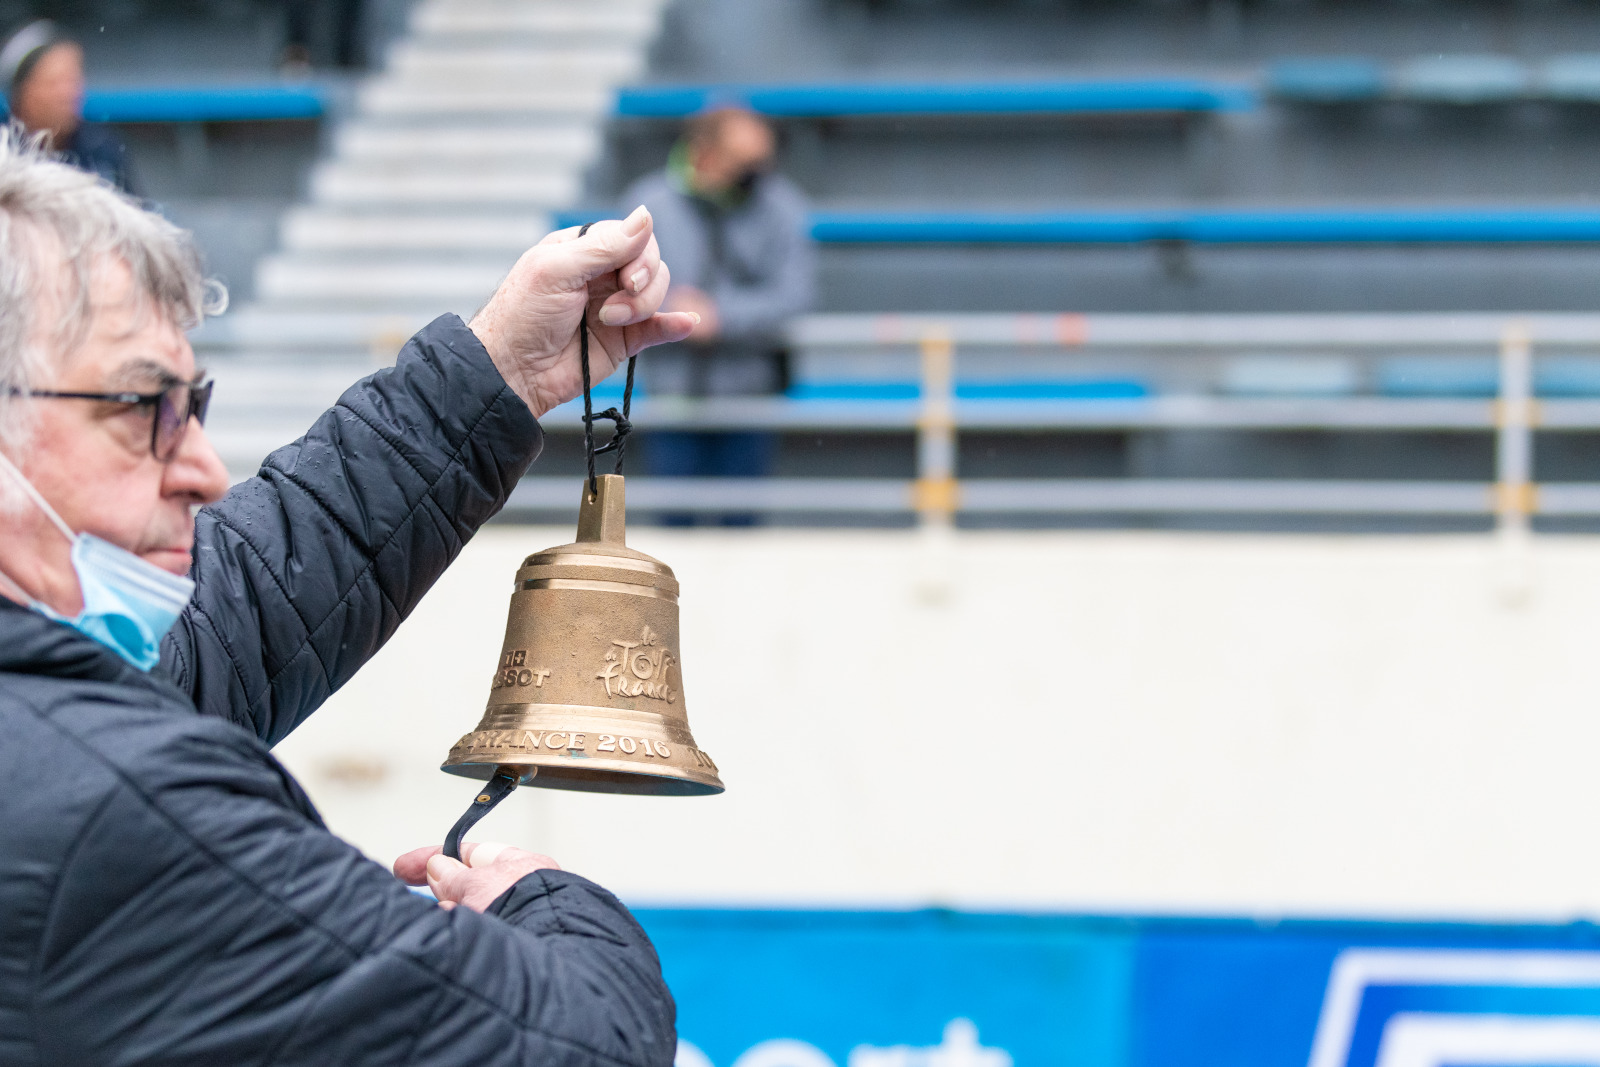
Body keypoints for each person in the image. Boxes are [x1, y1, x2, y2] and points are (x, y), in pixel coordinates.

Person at [0, 129, 697, 1064]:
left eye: (194, 409)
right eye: (142, 409)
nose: (203, 470)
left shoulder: (50, 745)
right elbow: (581, 1049)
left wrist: (502, 373)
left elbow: (221, 633)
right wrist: (549, 907)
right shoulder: (118, 820)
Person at [620, 105, 815, 524]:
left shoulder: (782, 207)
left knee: (740, 533)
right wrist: (676, 312)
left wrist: (721, 318)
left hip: (748, 395)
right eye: (744, 162)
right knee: (671, 534)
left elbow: (794, 295)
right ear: (704, 154)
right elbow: (621, 285)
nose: (757, 173)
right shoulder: (648, 205)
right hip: (671, 395)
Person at [1, 20, 135, 194]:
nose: (68, 93)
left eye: (72, 81)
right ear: (21, 92)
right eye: (53, 83)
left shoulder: (101, 148)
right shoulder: (4, 154)